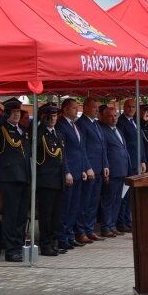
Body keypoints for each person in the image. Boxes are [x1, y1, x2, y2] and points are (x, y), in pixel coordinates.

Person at [0, 97, 32, 262]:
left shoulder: (21, 129)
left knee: (21, 215)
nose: (16, 115)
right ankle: (11, 249)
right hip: (10, 178)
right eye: (12, 112)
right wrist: (1, 118)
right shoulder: (2, 129)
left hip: (24, 176)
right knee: (11, 215)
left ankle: (19, 245)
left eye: (18, 112)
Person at [35, 104, 72, 256]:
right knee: (46, 216)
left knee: (56, 215)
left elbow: (62, 157)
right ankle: (45, 244)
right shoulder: (40, 133)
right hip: (46, 181)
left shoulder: (58, 134)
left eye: (55, 116)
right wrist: (40, 123)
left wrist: (66, 173)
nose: (53, 119)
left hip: (58, 180)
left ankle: (53, 242)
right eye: (49, 116)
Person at [55, 98, 92, 250]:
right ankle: (62, 237)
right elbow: (63, 152)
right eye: (73, 108)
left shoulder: (74, 125)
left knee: (75, 206)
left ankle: (70, 235)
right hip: (69, 172)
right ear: (65, 110)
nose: (77, 110)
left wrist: (84, 168)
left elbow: (81, 150)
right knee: (66, 206)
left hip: (78, 171)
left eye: (77, 108)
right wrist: (67, 171)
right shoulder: (61, 125)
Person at [75, 97, 109, 244]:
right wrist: (87, 167)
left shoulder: (96, 124)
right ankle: (81, 231)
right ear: (86, 107)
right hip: (89, 170)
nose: (97, 110)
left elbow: (102, 147)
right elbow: (82, 149)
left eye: (97, 107)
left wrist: (105, 164)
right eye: (94, 107)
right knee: (85, 202)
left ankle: (90, 229)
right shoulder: (81, 124)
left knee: (94, 202)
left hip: (99, 168)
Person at [116, 99, 146, 234]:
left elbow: (140, 143)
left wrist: (143, 160)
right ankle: (122, 222)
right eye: (129, 107)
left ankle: (128, 220)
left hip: (137, 163)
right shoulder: (121, 122)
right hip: (128, 164)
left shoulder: (134, 122)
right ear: (124, 107)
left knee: (131, 195)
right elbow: (123, 145)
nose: (131, 109)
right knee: (124, 195)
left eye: (134, 107)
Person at [99, 106, 130, 237]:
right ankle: (106, 226)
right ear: (104, 117)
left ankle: (112, 225)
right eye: (110, 116)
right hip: (112, 171)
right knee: (109, 199)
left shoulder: (117, 130)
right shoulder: (103, 131)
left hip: (122, 170)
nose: (114, 118)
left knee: (118, 199)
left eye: (115, 116)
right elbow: (104, 151)